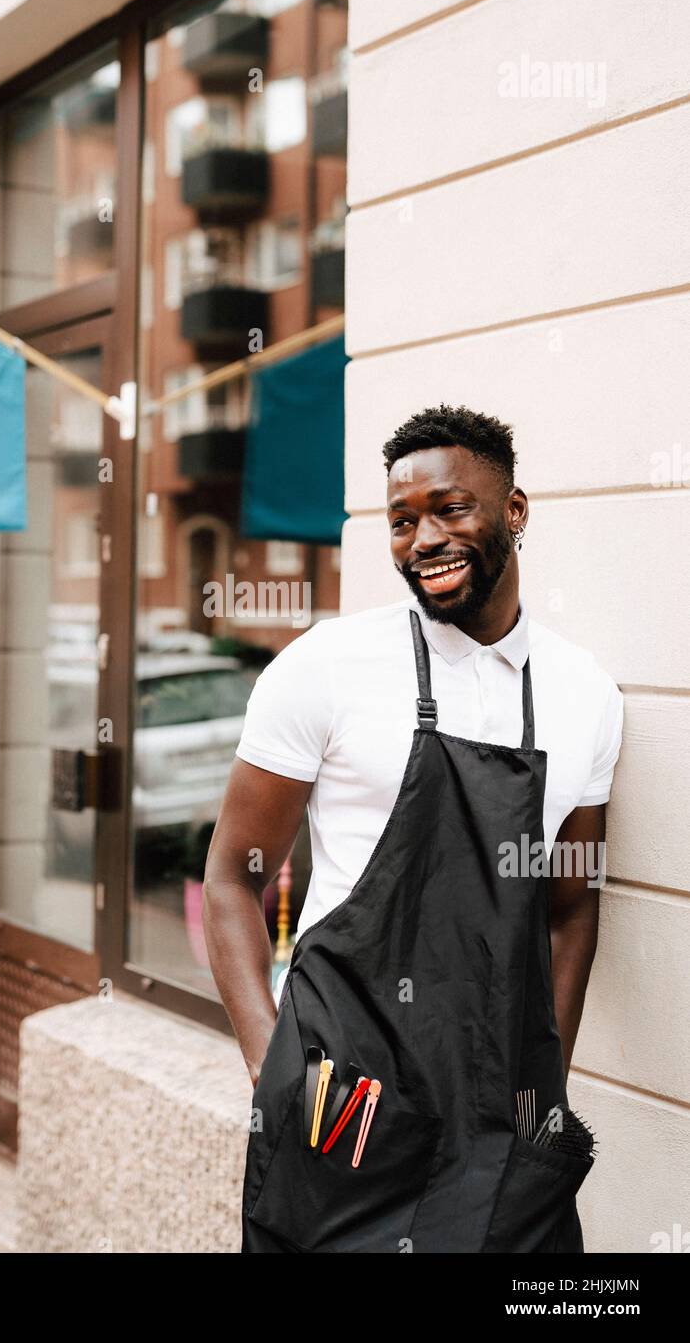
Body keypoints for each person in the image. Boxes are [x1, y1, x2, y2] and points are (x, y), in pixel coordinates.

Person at [203, 404, 624, 1253]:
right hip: (343, 1105)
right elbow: (230, 880)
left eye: (449, 509)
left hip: (504, 1116)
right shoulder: (326, 668)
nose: (423, 538)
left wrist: (546, 1086)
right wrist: (270, 1067)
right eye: (402, 521)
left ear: (514, 511)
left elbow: (571, 907)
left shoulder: (586, 695)